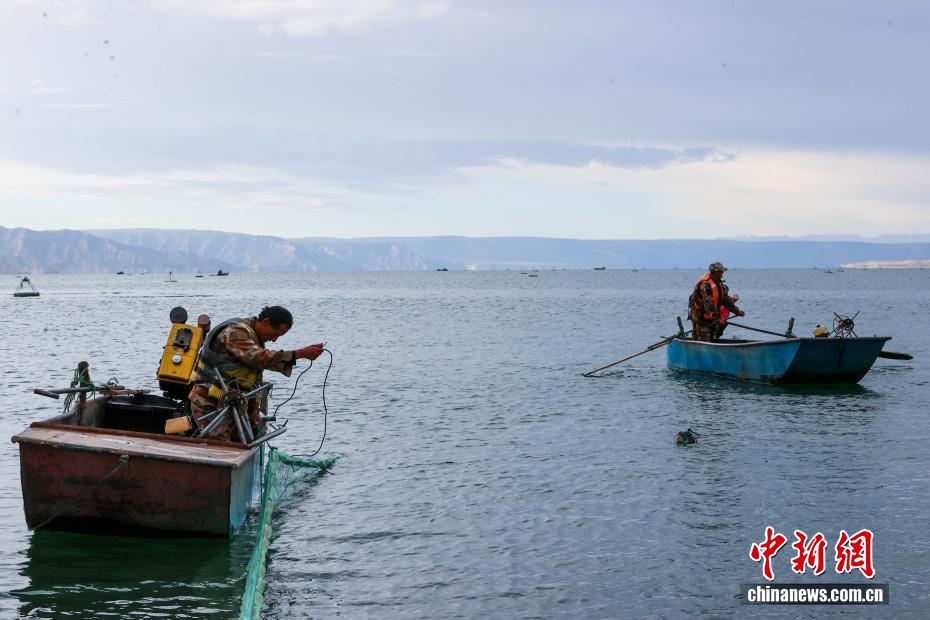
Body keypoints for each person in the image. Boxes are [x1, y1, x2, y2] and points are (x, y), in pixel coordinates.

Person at [188, 306, 324, 442]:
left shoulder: (252, 335)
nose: (274, 339)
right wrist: (299, 354)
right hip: (208, 402)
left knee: (246, 441)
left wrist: (253, 411)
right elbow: (259, 358)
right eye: (275, 333)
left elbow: (260, 365)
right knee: (220, 445)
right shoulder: (235, 332)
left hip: (232, 403)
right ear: (265, 322)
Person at [688, 261, 744, 342]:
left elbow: (726, 299)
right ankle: (697, 345)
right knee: (703, 337)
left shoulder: (718, 282)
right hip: (699, 314)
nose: (723, 273)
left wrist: (737, 311)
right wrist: (718, 319)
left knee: (711, 334)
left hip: (711, 314)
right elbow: (709, 304)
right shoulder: (705, 284)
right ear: (715, 272)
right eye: (721, 271)